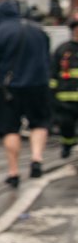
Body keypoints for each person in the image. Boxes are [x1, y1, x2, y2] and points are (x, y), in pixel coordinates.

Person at [0, 0, 51, 187]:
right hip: (38, 86)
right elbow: (47, 59)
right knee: (39, 123)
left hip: (9, 89)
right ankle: (37, 158)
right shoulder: (39, 31)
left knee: (10, 129)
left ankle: (13, 171)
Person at [52, 15, 78, 158]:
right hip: (65, 101)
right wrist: (53, 95)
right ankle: (67, 146)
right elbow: (53, 74)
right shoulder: (63, 50)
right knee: (66, 127)